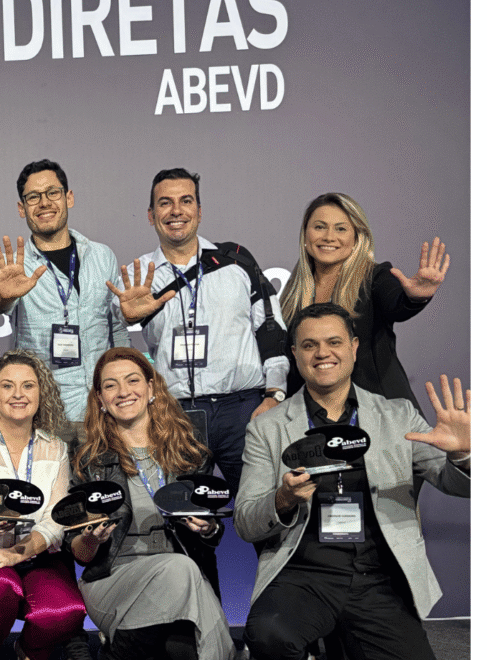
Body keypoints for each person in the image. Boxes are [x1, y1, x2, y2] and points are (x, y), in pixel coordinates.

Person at [237, 303, 470, 660]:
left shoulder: (398, 415)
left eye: (334, 342)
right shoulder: (266, 428)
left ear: (354, 347)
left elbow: (456, 484)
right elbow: (245, 521)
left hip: (378, 578)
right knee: (269, 635)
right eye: (310, 345)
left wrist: (463, 455)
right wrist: (283, 498)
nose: (323, 353)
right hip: (303, 574)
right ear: (295, 353)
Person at [109, 167, 288, 496]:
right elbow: (113, 332)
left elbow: (270, 328)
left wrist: (274, 394)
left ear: (200, 211)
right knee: (185, 516)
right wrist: (124, 315)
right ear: (150, 215)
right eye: (165, 203)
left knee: (262, 510)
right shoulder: (138, 276)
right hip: (175, 415)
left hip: (242, 411)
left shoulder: (235, 261)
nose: (176, 211)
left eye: (186, 201)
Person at [69, 347, 234, 660]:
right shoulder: (88, 462)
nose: (123, 392)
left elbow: (211, 537)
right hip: (113, 580)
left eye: (132, 380)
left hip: (185, 581)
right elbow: (79, 552)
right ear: (100, 399)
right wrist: (91, 539)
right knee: (180, 569)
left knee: (183, 648)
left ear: (151, 387)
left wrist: (208, 528)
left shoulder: (188, 452)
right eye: (110, 385)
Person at [0, 159, 129, 432]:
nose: (44, 203)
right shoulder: (14, 266)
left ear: (68, 197)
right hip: (46, 417)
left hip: (104, 412)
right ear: (21, 208)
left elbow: (117, 331)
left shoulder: (101, 256)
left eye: (52, 193)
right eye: (33, 197)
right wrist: (3, 295)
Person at [274, 192, 449, 413]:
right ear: (305, 234)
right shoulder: (293, 291)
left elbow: (397, 305)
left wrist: (416, 297)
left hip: (382, 413)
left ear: (357, 237)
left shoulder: (375, 277)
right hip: (315, 417)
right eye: (319, 227)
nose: (329, 237)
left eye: (341, 229)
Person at [0, 349, 86, 660]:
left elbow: (57, 519)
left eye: (28, 385)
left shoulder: (56, 447)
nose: (18, 394)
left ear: (41, 393)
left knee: (67, 612)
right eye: (7, 386)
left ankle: (28, 650)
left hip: (39, 554)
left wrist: (19, 553)